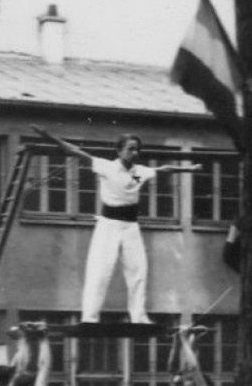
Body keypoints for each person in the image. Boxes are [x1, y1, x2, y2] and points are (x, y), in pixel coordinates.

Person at [31, 126, 203, 324]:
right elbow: (75, 151)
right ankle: (90, 317)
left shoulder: (139, 172)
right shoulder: (106, 167)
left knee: (138, 270)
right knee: (100, 270)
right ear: (119, 150)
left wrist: (189, 169)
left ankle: (138, 316)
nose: (135, 153)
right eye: (130, 149)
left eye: (137, 149)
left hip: (130, 226)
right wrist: (48, 136)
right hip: (108, 225)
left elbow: (165, 169)